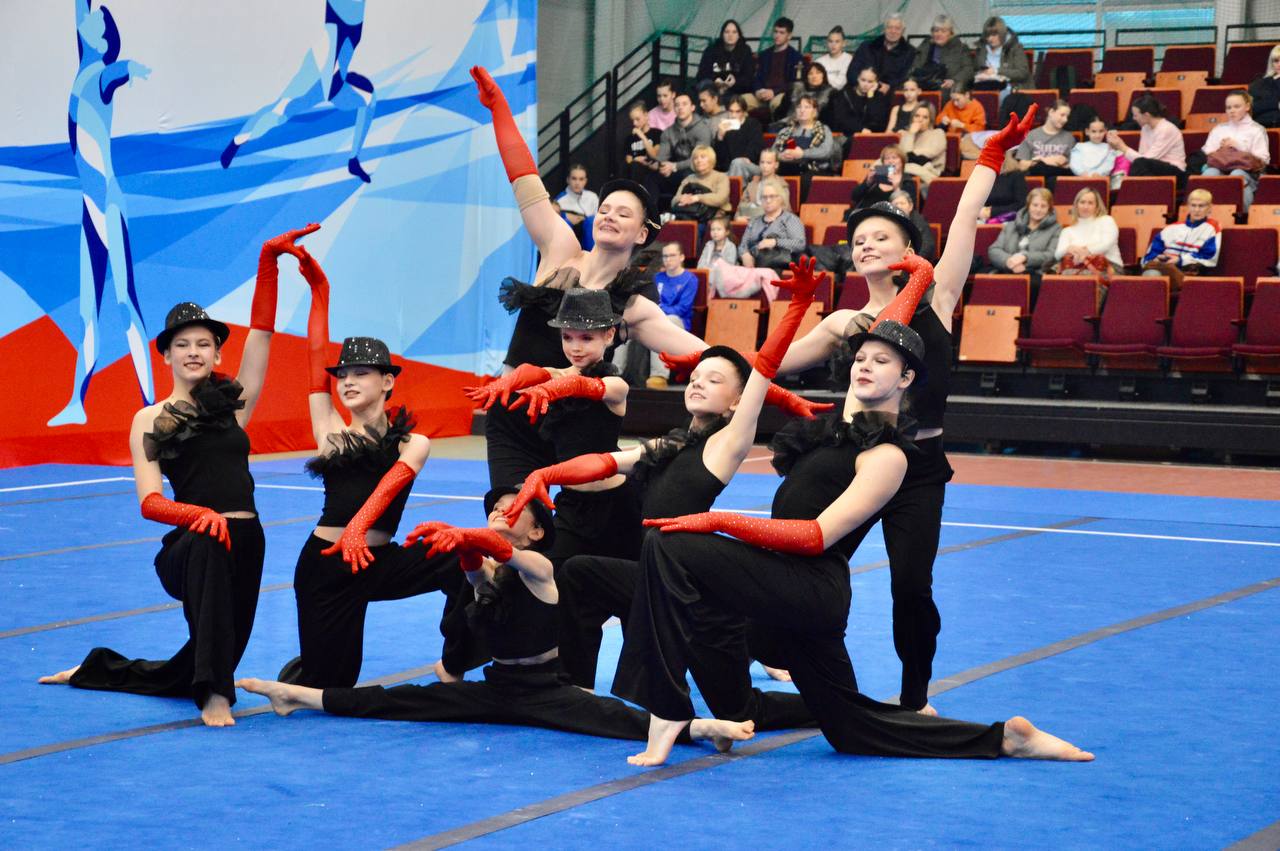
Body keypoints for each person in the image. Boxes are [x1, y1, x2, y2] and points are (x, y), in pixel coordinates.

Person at [613, 249, 1093, 767]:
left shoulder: (887, 457)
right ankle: (1004, 739)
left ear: (906, 380)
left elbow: (817, 536)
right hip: (779, 584)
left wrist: (719, 521)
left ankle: (666, 711)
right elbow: (876, 336)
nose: (865, 365)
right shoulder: (838, 429)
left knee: (668, 543)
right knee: (850, 728)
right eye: (860, 359)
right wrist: (908, 281)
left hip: (811, 587)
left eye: (881, 363)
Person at [669, 108, 1044, 716]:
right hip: (847, 457)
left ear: (909, 250)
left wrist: (990, 157)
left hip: (917, 464)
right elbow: (767, 363)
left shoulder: (937, 299)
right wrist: (694, 355)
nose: (867, 244)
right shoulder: (845, 322)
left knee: (911, 587)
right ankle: (770, 651)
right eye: (860, 239)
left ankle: (916, 699)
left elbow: (966, 220)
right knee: (796, 559)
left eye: (881, 237)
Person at [518, 265, 833, 700]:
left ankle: (777, 666)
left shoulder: (727, 443)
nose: (699, 384)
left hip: (683, 581)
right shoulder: (671, 444)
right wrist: (544, 475)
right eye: (696, 378)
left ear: (737, 401)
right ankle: (577, 689)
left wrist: (797, 305)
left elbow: (763, 370)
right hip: (654, 569)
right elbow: (606, 462)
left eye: (715, 381)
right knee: (579, 574)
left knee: (739, 703)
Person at [236, 489, 757, 751]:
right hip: (498, 688)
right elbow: (478, 572)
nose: (498, 514)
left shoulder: (542, 570)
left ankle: (706, 728)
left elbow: (509, 559)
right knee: (397, 700)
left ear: (536, 532)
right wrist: (465, 546)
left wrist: (471, 537)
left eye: (512, 510)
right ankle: (295, 695)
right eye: (493, 510)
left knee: (619, 720)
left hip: (547, 691)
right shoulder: (488, 572)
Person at [39, 224, 306, 725]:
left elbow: (262, 336)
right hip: (191, 546)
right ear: (166, 354)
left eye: (204, 344)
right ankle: (215, 694)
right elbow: (149, 501)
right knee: (209, 558)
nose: (194, 352)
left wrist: (268, 263)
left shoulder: (233, 408)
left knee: (204, 656)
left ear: (217, 354)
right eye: (182, 344)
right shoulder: (149, 418)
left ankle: (99, 669)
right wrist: (200, 516)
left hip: (246, 540)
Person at [469, 67, 709, 489]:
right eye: (605, 209)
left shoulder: (634, 306)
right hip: (516, 411)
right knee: (512, 517)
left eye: (623, 213)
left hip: (579, 423)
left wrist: (767, 377)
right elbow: (524, 178)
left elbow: (707, 354)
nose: (609, 216)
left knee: (586, 517)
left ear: (641, 234)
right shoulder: (560, 248)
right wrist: (499, 109)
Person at [274, 234, 484, 687]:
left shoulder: (413, 442)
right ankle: (302, 672)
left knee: (460, 557)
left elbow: (389, 486)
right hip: (328, 566)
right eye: (343, 376)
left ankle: (456, 662)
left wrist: (359, 528)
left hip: (379, 560)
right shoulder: (331, 433)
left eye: (361, 374)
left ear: (388, 381)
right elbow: (314, 358)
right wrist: (320, 292)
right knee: (332, 686)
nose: (348, 382)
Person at [50, 0, 154, 426]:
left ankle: (150, 403)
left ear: (104, 39)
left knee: (126, 303)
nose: (87, 21)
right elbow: (81, 7)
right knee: (87, 314)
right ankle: (77, 402)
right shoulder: (84, 65)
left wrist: (130, 67)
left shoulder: (102, 74)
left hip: (109, 205)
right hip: (87, 209)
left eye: (95, 21)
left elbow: (117, 71)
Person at [221, 0, 376, 182]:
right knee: (277, 114)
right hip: (315, 77)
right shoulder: (338, 16)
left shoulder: (356, 12)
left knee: (369, 100)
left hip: (336, 84)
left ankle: (353, 161)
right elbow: (331, 50)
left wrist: (340, 80)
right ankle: (237, 141)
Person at [640, 243, 699, 389]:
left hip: (678, 320)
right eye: (665, 256)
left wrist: (659, 310)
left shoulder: (690, 279)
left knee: (664, 322)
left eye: (672, 255)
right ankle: (617, 371)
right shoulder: (657, 277)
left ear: (682, 257)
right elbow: (649, 300)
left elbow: (682, 308)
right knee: (630, 322)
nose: (668, 259)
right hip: (656, 316)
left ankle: (659, 375)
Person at [1201, 90, 1269, 209]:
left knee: (1237, 175)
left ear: (1247, 107)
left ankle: (1244, 214)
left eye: (1237, 106)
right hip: (1221, 167)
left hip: (1248, 172)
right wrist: (1221, 149)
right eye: (1228, 107)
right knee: (1210, 173)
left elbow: (1263, 160)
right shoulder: (1219, 128)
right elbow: (1207, 152)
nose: (1232, 110)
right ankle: (1208, 212)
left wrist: (1238, 146)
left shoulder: (1257, 129)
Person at [1141, 189, 1220, 290]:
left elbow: (1209, 257)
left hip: (1188, 273)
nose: (1196, 210)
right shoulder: (1171, 228)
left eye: (1201, 206)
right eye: (1193, 205)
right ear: (1188, 206)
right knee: (1151, 273)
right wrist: (1156, 257)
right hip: (1164, 270)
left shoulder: (1212, 228)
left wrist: (1180, 260)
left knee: (1155, 274)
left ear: (1209, 208)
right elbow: (1148, 256)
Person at [1108, 95, 1186, 187]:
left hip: (1175, 172)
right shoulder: (1145, 128)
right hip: (1153, 168)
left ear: (1146, 115)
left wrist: (1122, 147)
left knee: (1139, 164)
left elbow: (1147, 160)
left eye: (1136, 115)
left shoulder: (1166, 129)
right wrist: (1119, 148)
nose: (1133, 118)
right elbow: (1142, 156)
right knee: (1137, 166)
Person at [986, 187, 1062, 279]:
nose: (1038, 209)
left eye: (1043, 206)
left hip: (1035, 274)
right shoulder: (1011, 225)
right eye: (1035, 205)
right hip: (1006, 270)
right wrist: (1009, 261)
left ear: (1049, 209)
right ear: (1028, 206)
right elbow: (994, 249)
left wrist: (1025, 258)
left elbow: (1051, 255)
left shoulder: (1056, 228)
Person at [772, 95, 836, 192]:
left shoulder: (824, 130)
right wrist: (780, 156)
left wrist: (802, 154)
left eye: (807, 107)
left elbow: (826, 152)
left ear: (814, 112)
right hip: (787, 167)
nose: (802, 110)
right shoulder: (785, 131)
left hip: (813, 170)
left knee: (807, 179)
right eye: (799, 107)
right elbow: (773, 151)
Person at [740, 177, 805, 271]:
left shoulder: (790, 220)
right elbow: (743, 244)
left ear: (781, 198)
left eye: (772, 196)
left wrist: (775, 242)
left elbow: (800, 243)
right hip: (753, 265)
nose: (768, 200)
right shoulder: (755, 221)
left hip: (777, 266)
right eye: (764, 197)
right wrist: (744, 254)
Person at [656, 92, 714, 199]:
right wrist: (664, 167)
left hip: (697, 169)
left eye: (684, 104)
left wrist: (674, 166)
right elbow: (661, 159)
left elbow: (700, 160)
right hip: (676, 171)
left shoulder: (702, 129)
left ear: (692, 107)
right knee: (653, 177)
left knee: (689, 173)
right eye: (677, 105)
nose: (680, 108)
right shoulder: (668, 132)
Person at [1053, 187, 1122, 276]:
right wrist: (1068, 248)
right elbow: (1058, 254)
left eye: (1090, 203)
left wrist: (1084, 251)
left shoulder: (1107, 220)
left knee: (1074, 277)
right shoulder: (1067, 231)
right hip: (1076, 268)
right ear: (1076, 205)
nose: (1085, 207)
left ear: (1097, 206)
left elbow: (1106, 245)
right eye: (1082, 202)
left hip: (1109, 267)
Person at [1012, 99, 1075, 190]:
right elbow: (1022, 166)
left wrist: (1064, 163)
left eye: (1067, 116)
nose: (1065, 120)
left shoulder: (1069, 138)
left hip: (1058, 182)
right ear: (1051, 112)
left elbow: (1074, 167)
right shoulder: (1031, 135)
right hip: (1035, 182)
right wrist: (1044, 160)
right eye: (1062, 115)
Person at [852, 12, 914, 95]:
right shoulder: (867, 47)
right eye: (889, 27)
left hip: (889, 94)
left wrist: (889, 86)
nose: (893, 31)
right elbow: (852, 72)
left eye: (897, 28)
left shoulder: (909, 52)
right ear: (884, 29)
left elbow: (904, 77)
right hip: (861, 92)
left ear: (903, 31)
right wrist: (863, 84)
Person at [910, 14, 974, 93]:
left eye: (943, 31)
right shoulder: (925, 46)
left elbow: (968, 70)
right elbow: (915, 66)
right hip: (924, 84)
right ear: (932, 32)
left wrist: (954, 80)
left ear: (951, 33)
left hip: (948, 87)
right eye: (936, 30)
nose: (939, 34)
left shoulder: (961, 48)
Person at [752, 17, 803, 117]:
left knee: (776, 104)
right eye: (775, 32)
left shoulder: (796, 57)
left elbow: (794, 83)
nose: (777, 35)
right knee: (742, 101)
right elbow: (757, 77)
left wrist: (774, 92)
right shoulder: (764, 54)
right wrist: (758, 90)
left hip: (781, 94)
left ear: (789, 36)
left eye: (781, 32)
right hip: (762, 93)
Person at [971, 16, 1030, 99]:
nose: (990, 39)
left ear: (1002, 34)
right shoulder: (981, 49)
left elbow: (1022, 73)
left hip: (1012, 89)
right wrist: (979, 75)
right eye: (987, 35)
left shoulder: (1015, 48)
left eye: (994, 35)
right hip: (984, 88)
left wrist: (997, 71)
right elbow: (975, 69)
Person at [697, 20, 756, 98]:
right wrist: (714, 80)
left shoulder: (745, 50)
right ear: (722, 34)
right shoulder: (711, 50)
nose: (730, 35)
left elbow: (748, 76)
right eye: (727, 32)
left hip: (736, 90)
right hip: (713, 89)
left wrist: (735, 81)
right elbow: (702, 74)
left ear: (739, 35)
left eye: (734, 32)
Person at [670, 146, 731, 220]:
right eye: (695, 158)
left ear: (711, 159)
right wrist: (681, 198)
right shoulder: (688, 179)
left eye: (703, 157)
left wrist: (696, 198)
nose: (699, 160)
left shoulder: (721, 177)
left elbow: (721, 198)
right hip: (690, 214)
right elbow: (673, 201)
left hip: (716, 216)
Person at [829, 66, 891, 137]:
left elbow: (878, 121)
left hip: (871, 136)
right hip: (847, 135)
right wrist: (861, 129)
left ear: (876, 83)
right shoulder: (844, 94)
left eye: (870, 81)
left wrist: (870, 96)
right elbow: (842, 119)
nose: (865, 84)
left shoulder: (880, 97)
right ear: (858, 78)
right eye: (863, 80)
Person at [849, 146, 916, 211]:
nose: (890, 161)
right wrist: (867, 182)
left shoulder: (907, 180)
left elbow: (909, 206)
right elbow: (854, 197)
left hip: (890, 215)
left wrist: (897, 188)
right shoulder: (877, 176)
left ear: (902, 161)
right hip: (866, 213)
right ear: (883, 163)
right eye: (887, 158)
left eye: (894, 158)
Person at [898, 103, 946, 189]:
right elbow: (902, 156)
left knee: (895, 171)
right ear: (912, 118)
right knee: (879, 169)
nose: (920, 120)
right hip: (905, 170)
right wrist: (911, 134)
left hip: (927, 175)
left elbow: (916, 157)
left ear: (930, 120)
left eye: (925, 117)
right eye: (917, 116)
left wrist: (910, 135)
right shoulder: (907, 135)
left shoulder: (938, 133)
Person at [715, 96, 764, 177]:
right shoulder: (723, 128)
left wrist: (747, 157)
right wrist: (720, 137)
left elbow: (757, 146)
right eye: (731, 111)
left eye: (737, 112)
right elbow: (720, 160)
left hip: (750, 165)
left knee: (738, 162)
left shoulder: (753, 124)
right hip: (729, 169)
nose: (733, 115)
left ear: (744, 112)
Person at [554, 164, 600, 249]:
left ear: (585, 181)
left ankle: (592, 255)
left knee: (591, 220)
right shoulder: (560, 200)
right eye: (574, 178)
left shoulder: (592, 197)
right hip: (570, 235)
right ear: (568, 180)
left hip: (589, 233)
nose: (577, 183)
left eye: (581, 179)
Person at [779, 63, 835, 129]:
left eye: (818, 73)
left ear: (823, 75)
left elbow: (831, 118)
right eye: (810, 73)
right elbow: (781, 111)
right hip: (789, 126)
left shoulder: (832, 93)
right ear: (806, 76)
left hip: (818, 127)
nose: (814, 76)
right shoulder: (794, 90)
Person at [622, 101, 663, 189]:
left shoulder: (657, 133)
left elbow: (654, 155)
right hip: (635, 171)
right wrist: (636, 159)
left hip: (652, 171)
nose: (634, 123)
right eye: (632, 120)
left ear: (646, 115)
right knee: (634, 167)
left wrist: (642, 136)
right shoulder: (630, 139)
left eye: (637, 119)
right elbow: (628, 161)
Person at [1070, 118, 1120, 187]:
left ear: (1105, 131)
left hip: (1100, 181)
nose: (1097, 135)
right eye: (1094, 131)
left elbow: (1109, 163)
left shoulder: (1109, 148)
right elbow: (1075, 163)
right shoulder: (1079, 147)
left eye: (1101, 131)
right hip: (1081, 179)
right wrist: (1082, 173)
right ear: (1087, 131)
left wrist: (1099, 174)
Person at [889, 190, 936, 262]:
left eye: (902, 203)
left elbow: (928, 245)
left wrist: (911, 260)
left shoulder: (919, 221)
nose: (899, 206)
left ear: (910, 206)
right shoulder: (887, 222)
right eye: (896, 204)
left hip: (915, 261)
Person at [734, 148, 780, 218]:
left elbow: (784, 212)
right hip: (750, 221)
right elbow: (739, 209)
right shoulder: (751, 185)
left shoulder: (782, 185)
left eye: (768, 163)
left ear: (776, 165)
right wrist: (738, 218)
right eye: (762, 162)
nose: (764, 166)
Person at [1247, 45, 1280, 128]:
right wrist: (1276, 104)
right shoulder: (1259, 84)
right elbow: (1251, 108)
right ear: (1271, 63)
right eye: (1276, 61)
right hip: (1261, 126)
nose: (1279, 64)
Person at [817, 26, 853, 91]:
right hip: (823, 94)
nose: (833, 45)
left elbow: (840, 84)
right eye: (830, 41)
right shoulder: (819, 62)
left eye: (837, 41)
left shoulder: (850, 60)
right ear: (827, 43)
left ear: (844, 43)